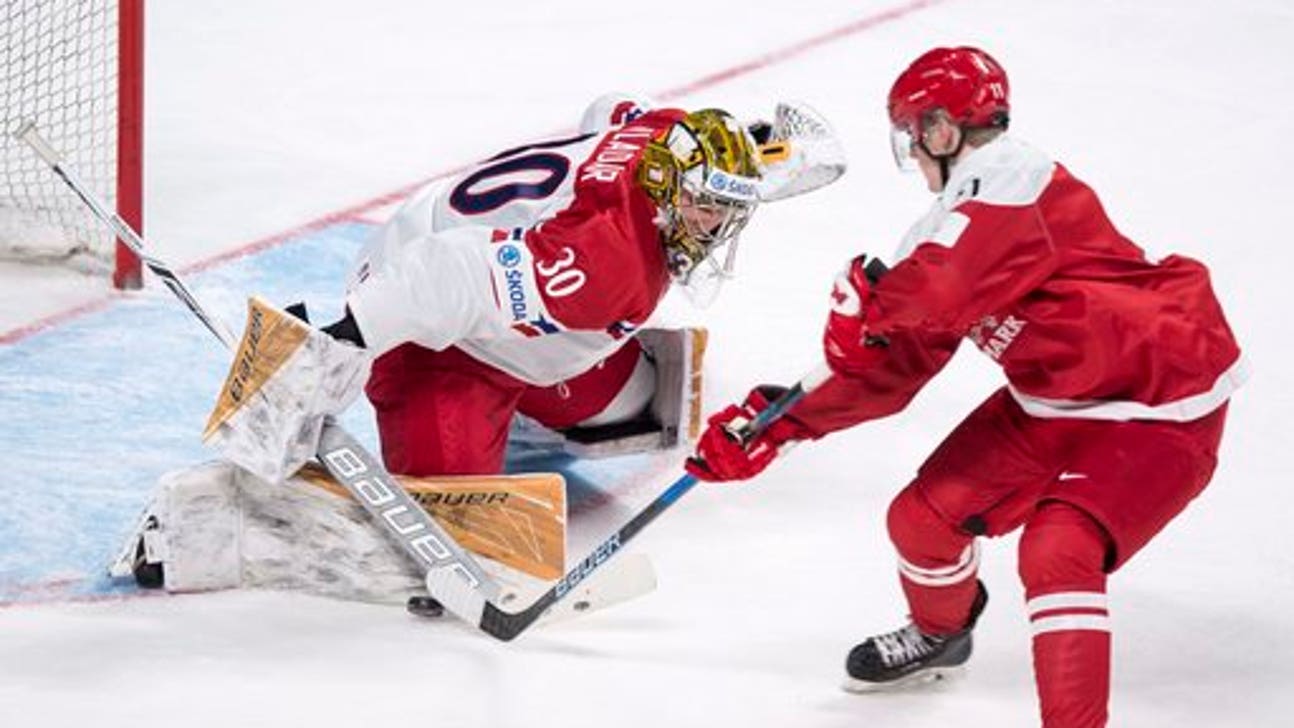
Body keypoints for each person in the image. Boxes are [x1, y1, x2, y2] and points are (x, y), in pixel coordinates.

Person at [687, 47, 1245, 728]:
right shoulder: (947, 229)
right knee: (920, 521)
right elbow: (895, 368)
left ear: (942, 131)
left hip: (1158, 407)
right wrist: (776, 424)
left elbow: (939, 287)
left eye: (912, 138)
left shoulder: (1016, 178)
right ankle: (941, 636)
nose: (914, 158)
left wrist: (876, 303)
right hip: (1054, 403)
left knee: (1057, 548)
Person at [203, 93, 844, 485]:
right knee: (449, 506)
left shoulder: (664, 135)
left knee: (633, 407)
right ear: (666, 187)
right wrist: (342, 343)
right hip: (424, 319)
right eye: (703, 209)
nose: (714, 228)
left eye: (724, 210)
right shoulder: (608, 263)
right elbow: (446, 276)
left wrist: (776, 153)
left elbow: (610, 110)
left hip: (502, 273)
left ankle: (525, 407)